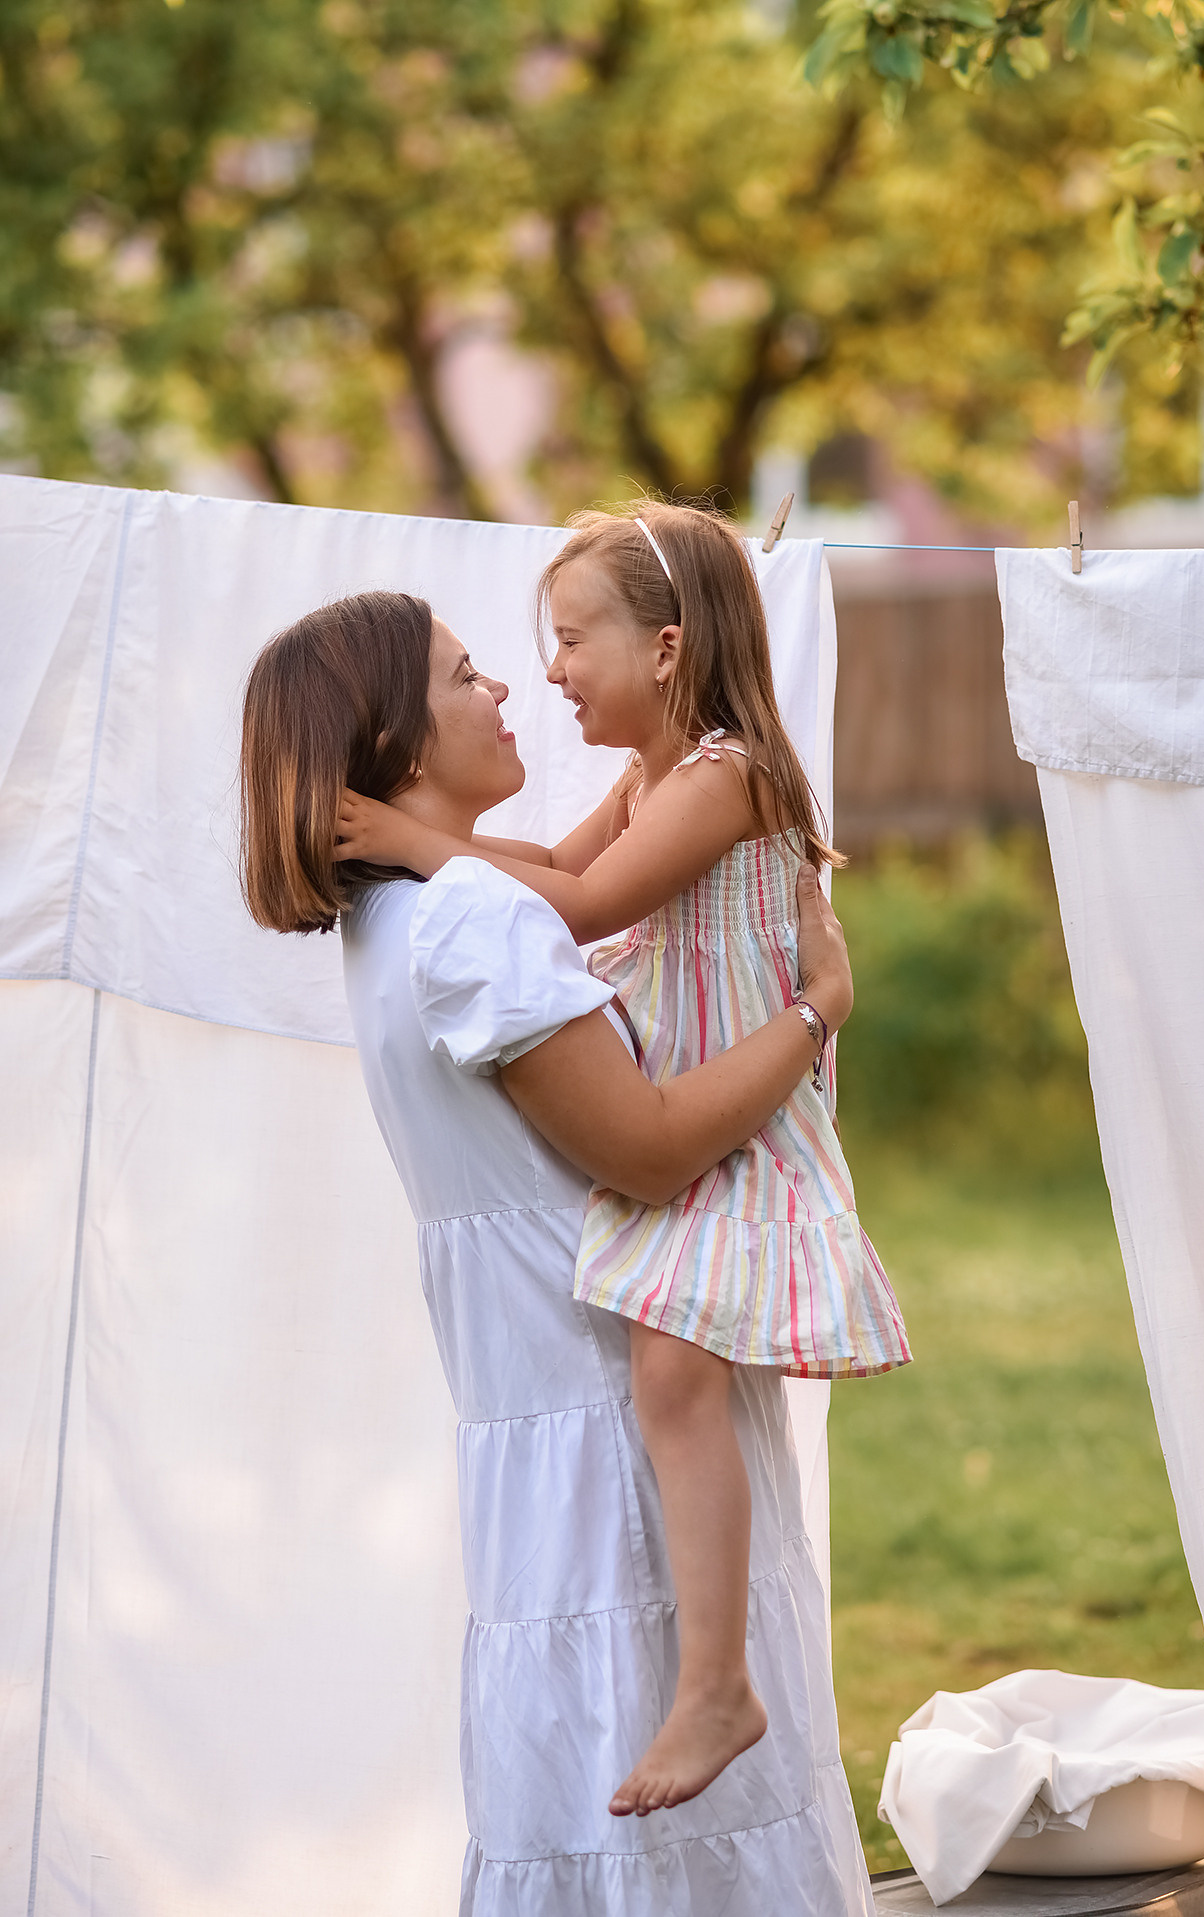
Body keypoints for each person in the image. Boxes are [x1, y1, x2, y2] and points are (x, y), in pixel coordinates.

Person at [239, 588, 875, 1917]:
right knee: (675, 1835)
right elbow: (645, 1151)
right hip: (604, 1420)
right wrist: (815, 1012)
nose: (510, 688)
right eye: (467, 674)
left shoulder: (402, 918)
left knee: (589, 1808)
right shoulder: (469, 918)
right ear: (399, 738)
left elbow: (572, 895)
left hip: (542, 1404)